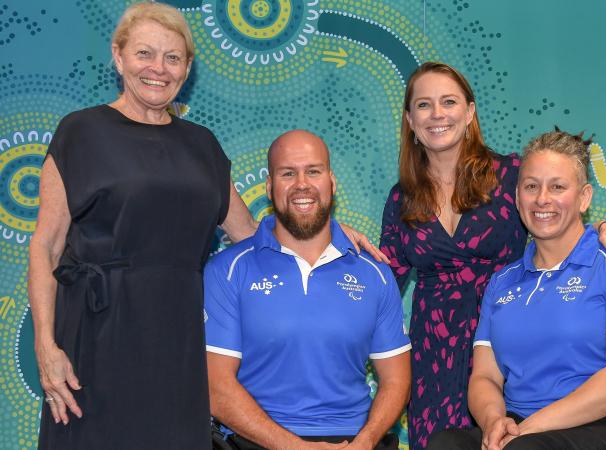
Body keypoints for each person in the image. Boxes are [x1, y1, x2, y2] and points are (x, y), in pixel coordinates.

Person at [28, 4, 381, 449]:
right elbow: (46, 246)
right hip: (98, 335)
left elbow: (251, 234)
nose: (158, 68)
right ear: (118, 57)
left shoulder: (202, 145)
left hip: (181, 338)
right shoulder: (79, 132)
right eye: (144, 54)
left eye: (173, 58)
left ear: (187, 68)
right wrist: (46, 345)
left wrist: (325, 232)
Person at [379, 62, 606, 449]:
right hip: (436, 347)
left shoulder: (509, 176)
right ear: (409, 119)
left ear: (470, 112)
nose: (437, 114)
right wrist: (338, 241)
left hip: (512, 340)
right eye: (424, 105)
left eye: (449, 101)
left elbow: (555, 209)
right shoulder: (402, 196)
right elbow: (380, 281)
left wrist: (604, 227)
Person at [427, 129, 606, 450]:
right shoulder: (502, 282)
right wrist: (495, 422)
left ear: (584, 198)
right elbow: (485, 378)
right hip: (523, 424)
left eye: (557, 187)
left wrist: (529, 429)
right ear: (516, 197)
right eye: (531, 186)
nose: (542, 199)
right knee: (446, 443)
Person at [205, 130, 411, 450]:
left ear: (332, 182)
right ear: (270, 187)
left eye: (313, 171)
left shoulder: (375, 274)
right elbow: (216, 390)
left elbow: (397, 380)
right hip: (256, 441)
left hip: (354, 440)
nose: (302, 183)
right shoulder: (228, 271)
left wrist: (365, 442)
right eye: (288, 173)